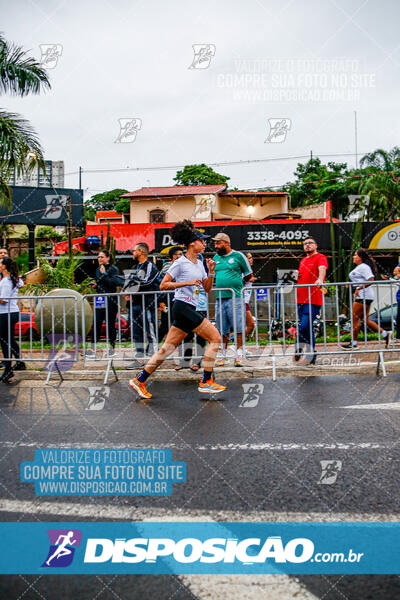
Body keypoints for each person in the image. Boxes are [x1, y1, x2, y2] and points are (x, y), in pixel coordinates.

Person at [129, 220, 226, 400]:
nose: (205, 244)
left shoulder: (199, 262)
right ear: (192, 243)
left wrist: (211, 271)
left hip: (190, 307)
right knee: (216, 338)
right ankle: (206, 381)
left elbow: (206, 288)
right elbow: (163, 285)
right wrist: (186, 283)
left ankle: (139, 380)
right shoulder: (180, 263)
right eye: (202, 241)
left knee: (165, 350)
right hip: (181, 307)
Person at [212, 233, 252, 367]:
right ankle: (222, 355)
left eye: (218, 243)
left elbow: (248, 274)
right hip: (219, 298)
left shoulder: (238, 256)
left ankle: (239, 355)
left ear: (226, 243)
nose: (216, 246)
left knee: (239, 327)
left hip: (235, 297)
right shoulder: (216, 257)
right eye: (215, 244)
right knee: (222, 328)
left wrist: (239, 284)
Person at [342, 248, 390, 350]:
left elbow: (371, 279)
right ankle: (385, 333)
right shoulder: (360, 267)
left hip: (363, 296)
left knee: (355, 318)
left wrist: (359, 287)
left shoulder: (364, 267)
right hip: (364, 295)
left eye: (355, 255)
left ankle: (354, 343)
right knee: (365, 320)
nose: (353, 257)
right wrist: (352, 285)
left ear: (360, 257)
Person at [125, 243, 161, 369]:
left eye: (134, 251)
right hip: (134, 304)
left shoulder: (150, 265)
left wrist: (132, 285)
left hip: (147, 304)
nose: (132, 253)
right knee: (137, 333)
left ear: (141, 251)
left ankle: (153, 359)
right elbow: (126, 283)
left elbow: (148, 282)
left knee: (151, 332)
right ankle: (139, 359)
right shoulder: (135, 266)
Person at [294, 237, 328, 365]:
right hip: (300, 298)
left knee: (303, 326)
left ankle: (298, 348)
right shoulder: (303, 260)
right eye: (305, 244)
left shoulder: (320, 257)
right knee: (307, 328)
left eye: (310, 243)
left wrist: (320, 279)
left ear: (316, 245)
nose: (307, 245)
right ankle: (312, 355)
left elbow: (322, 268)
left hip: (313, 299)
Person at [87, 250, 122, 358]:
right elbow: (101, 283)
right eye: (98, 257)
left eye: (102, 257)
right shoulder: (98, 269)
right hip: (100, 298)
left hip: (111, 299)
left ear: (108, 258)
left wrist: (104, 274)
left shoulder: (113, 269)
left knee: (110, 324)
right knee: (97, 322)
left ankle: (111, 349)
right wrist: (95, 286)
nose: (100, 259)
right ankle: (92, 349)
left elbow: (114, 283)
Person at [0, 257, 25, 382]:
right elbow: (21, 284)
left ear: (4, 266)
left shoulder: (5, 281)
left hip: (6, 313)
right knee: (8, 339)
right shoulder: (14, 279)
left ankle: (8, 370)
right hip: (12, 312)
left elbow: (3, 300)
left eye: (0, 263)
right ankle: (19, 362)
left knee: (5, 342)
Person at [158, 246, 184, 342]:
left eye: (182, 254)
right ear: (174, 256)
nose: (182, 256)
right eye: (179, 254)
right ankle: (152, 347)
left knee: (179, 323)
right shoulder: (168, 267)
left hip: (179, 299)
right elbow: (161, 283)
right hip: (168, 299)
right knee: (165, 324)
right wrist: (160, 301)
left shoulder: (182, 266)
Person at [243, 252, 257, 343]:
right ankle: (237, 344)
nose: (251, 259)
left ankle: (239, 346)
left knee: (246, 325)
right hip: (241, 300)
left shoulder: (249, 270)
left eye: (251, 257)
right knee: (251, 324)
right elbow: (237, 282)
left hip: (245, 301)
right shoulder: (242, 270)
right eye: (249, 258)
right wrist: (246, 280)